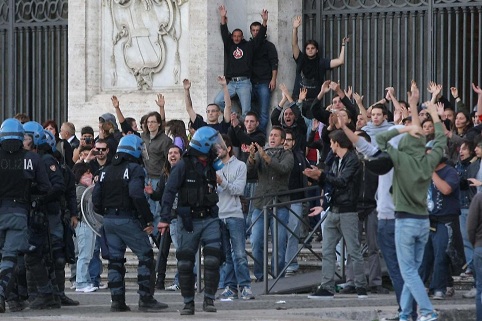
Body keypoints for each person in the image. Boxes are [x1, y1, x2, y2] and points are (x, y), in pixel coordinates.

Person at [376, 87, 443, 321]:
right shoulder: (429, 159)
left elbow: (380, 138)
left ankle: (427, 311)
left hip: (404, 221)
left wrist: (404, 126)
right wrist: (432, 112)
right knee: (413, 270)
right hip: (423, 222)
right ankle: (405, 314)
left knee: (409, 273)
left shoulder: (400, 158)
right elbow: (442, 139)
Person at [92, 135, 168, 312]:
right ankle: (146, 299)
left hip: (109, 220)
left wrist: (106, 213)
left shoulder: (105, 170)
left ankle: (117, 301)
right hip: (127, 218)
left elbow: (95, 199)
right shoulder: (135, 169)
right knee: (146, 255)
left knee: (115, 260)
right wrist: (147, 218)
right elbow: (136, 194)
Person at [158, 126, 226, 315]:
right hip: (188, 220)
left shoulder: (211, 164)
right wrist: (164, 218)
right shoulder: (182, 165)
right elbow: (169, 191)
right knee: (185, 263)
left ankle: (209, 300)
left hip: (210, 217)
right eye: (214, 144)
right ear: (204, 145)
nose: (218, 147)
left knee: (213, 259)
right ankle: (188, 303)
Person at [304, 128, 367, 300]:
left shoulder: (353, 160)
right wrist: (317, 177)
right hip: (333, 209)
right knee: (327, 249)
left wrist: (321, 175)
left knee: (354, 250)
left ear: (337, 143)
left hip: (348, 211)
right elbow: (331, 182)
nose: (330, 146)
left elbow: (342, 182)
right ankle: (326, 286)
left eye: (331, 143)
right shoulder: (335, 160)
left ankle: (361, 286)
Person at [0, 118, 51, 313]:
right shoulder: (32, 158)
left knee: (3, 257)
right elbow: (46, 187)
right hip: (19, 212)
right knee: (10, 258)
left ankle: (10, 298)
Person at [247, 126, 293, 281]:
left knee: (279, 244)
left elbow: (283, 168)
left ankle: (276, 277)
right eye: (271, 135)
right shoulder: (261, 153)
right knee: (256, 241)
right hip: (261, 203)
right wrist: (252, 158)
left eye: (276, 136)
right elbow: (250, 173)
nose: (272, 138)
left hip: (280, 204)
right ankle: (261, 277)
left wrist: (265, 157)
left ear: (282, 139)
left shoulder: (287, 154)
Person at [216, 135, 254, 300]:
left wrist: (221, 182)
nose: (216, 151)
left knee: (239, 253)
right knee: (226, 255)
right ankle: (230, 286)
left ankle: (245, 286)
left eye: (219, 148)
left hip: (234, 214)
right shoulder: (214, 166)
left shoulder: (240, 166)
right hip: (219, 214)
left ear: (228, 148)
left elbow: (238, 189)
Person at [213, 6, 268, 117]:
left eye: (239, 36)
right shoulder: (229, 45)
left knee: (246, 111)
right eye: (234, 36)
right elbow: (224, 31)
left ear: (242, 37)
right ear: (232, 37)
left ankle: (245, 130)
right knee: (218, 100)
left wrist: (265, 21)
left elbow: (259, 37)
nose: (236, 38)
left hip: (244, 83)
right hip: (231, 83)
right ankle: (234, 116)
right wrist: (222, 17)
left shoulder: (248, 46)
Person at [291, 15, 348, 115]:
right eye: (308, 48)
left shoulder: (321, 62)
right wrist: (295, 29)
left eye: (312, 48)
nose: (310, 50)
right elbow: (294, 44)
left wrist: (343, 45)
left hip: (314, 100)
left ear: (317, 50)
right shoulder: (300, 58)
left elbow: (340, 61)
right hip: (298, 98)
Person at [144, 145, 183, 290]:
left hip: (178, 217)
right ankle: (160, 280)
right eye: (170, 153)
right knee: (162, 250)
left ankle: (181, 280)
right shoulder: (165, 174)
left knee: (180, 250)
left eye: (176, 153)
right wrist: (152, 193)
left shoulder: (184, 172)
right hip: (167, 217)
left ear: (180, 155)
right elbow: (160, 194)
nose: (172, 155)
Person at [141, 111, 172, 236]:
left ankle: (156, 235)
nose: (150, 125)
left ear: (159, 124)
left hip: (157, 177)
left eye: (153, 122)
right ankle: (148, 233)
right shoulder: (143, 137)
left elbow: (168, 159)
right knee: (146, 207)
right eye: (148, 122)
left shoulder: (165, 140)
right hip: (145, 176)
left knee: (156, 208)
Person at [283, 130, 309, 275]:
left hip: (296, 199)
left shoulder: (299, 156)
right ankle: (281, 264)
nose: (286, 142)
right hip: (279, 201)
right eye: (284, 139)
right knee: (281, 234)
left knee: (293, 233)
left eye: (289, 139)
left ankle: (291, 264)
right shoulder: (276, 155)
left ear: (293, 142)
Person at [72, 163, 97, 293]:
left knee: (88, 254)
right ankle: (81, 282)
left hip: (89, 224)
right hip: (83, 224)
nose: (90, 175)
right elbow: (90, 200)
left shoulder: (85, 188)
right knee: (84, 255)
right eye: (87, 173)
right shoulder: (80, 189)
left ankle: (85, 280)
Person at [249, 20, 278, 133]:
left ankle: (260, 136)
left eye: (258, 30)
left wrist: (273, 79)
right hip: (250, 83)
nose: (256, 32)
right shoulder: (249, 46)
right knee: (249, 111)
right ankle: (250, 134)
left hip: (264, 82)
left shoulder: (269, 46)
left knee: (263, 113)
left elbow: (274, 63)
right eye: (254, 30)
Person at [467, 192, 482, 320]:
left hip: (480, 247)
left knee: (480, 289)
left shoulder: (479, 197)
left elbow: (470, 227)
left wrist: (475, 244)